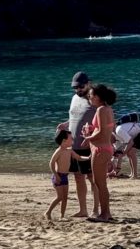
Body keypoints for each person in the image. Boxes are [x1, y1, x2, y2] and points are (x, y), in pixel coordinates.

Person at [81, 83, 117, 222]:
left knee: (99, 183)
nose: (89, 98)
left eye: (90, 95)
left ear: (97, 97)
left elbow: (102, 132)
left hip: (100, 149)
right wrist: (91, 130)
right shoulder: (108, 109)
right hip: (105, 148)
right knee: (101, 183)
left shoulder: (101, 110)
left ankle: (104, 214)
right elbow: (106, 130)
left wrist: (87, 138)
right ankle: (106, 213)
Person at [66, 71, 97, 218]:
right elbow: (74, 116)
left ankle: (95, 210)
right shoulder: (74, 98)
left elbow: (104, 122)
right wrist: (66, 125)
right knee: (78, 177)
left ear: (88, 83)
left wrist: (93, 136)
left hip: (88, 145)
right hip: (73, 144)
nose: (77, 90)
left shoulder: (95, 100)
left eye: (80, 87)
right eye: (75, 87)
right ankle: (82, 209)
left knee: (92, 178)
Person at [46, 128, 83, 220]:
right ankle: (48, 212)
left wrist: (89, 157)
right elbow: (51, 163)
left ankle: (62, 216)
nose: (72, 140)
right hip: (58, 176)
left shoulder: (69, 150)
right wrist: (56, 175)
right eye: (71, 139)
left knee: (65, 198)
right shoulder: (59, 151)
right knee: (60, 197)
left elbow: (78, 157)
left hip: (65, 176)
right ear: (64, 141)